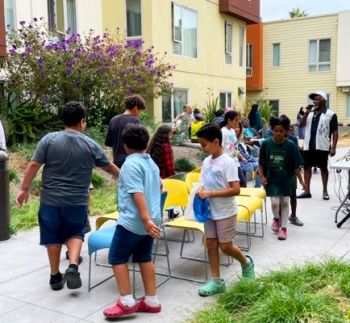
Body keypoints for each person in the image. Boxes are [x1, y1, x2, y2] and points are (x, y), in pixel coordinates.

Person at [16, 101, 119, 290]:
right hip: (76, 201)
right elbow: (108, 167)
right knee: (75, 232)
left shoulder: (49, 139)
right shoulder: (90, 144)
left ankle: (55, 276)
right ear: (82, 122)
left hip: (50, 201)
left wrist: (24, 189)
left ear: (63, 120)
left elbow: (33, 165)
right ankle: (72, 265)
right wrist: (127, 176)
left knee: (52, 236)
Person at [103, 124, 162, 319]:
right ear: (146, 144)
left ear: (125, 145)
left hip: (134, 222)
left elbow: (137, 194)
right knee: (144, 257)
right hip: (152, 220)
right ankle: (151, 301)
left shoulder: (129, 164)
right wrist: (150, 218)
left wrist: (144, 219)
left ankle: (127, 301)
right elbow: (160, 186)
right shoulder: (150, 162)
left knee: (116, 258)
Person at [195, 124, 255, 297]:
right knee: (211, 244)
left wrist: (211, 193)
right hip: (209, 211)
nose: (202, 148)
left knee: (226, 246)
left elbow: (236, 189)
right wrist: (201, 191)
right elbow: (205, 182)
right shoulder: (207, 161)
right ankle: (216, 281)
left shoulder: (227, 162)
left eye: (204, 144)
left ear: (216, 141)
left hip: (225, 212)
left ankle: (246, 263)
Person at [259, 116, 305, 240]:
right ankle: (276, 218)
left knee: (284, 202)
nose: (278, 133)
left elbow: (296, 166)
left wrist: (301, 180)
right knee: (275, 202)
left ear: (286, 131)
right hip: (271, 178)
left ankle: (283, 228)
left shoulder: (290, 145)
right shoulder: (266, 144)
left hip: (285, 179)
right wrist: (262, 176)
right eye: (276, 131)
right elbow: (261, 163)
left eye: (281, 131)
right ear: (272, 130)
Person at [297, 91, 338, 200]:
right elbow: (301, 125)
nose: (315, 101)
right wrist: (306, 113)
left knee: (323, 168)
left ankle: (325, 191)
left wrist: (333, 147)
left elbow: (335, 131)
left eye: (317, 99)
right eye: (314, 99)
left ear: (324, 101)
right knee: (307, 167)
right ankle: (307, 191)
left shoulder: (330, 114)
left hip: (322, 146)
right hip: (308, 146)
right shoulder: (310, 113)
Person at [105, 94, 146, 168]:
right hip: (131, 161)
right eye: (140, 111)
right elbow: (139, 143)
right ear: (136, 108)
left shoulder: (113, 119)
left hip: (117, 161)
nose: (139, 114)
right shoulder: (135, 120)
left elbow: (109, 143)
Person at [221, 110, 247, 187]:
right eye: (236, 121)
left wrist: (242, 158)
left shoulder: (232, 131)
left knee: (242, 183)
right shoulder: (222, 132)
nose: (237, 123)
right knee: (239, 184)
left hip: (235, 162)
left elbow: (234, 147)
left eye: (238, 121)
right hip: (228, 164)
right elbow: (221, 148)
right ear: (229, 120)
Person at [234, 122, 261, 187]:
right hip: (239, 162)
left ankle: (257, 186)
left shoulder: (239, 139)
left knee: (260, 164)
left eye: (238, 127)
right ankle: (257, 187)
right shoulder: (232, 139)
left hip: (244, 160)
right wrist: (254, 159)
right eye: (235, 127)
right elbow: (242, 155)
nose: (237, 129)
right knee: (259, 164)